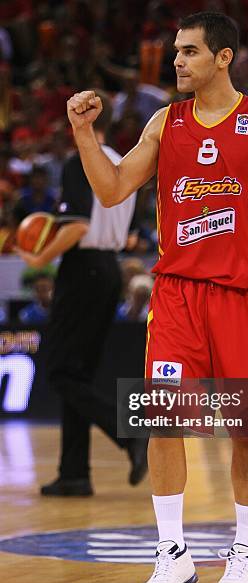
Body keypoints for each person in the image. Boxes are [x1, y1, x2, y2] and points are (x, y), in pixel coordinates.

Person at [66, 12, 248, 583]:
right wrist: (84, 134)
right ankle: (172, 554)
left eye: (189, 52)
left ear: (223, 57)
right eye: (176, 52)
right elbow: (114, 189)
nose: (177, 61)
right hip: (176, 297)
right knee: (165, 424)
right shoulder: (165, 123)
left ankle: (245, 555)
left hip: (247, 297)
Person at [16, 90, 147, 496]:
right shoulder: (124, 163)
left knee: (56, 368)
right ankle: (74, 473)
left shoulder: (80, 161)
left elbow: (75, 226)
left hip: (83, 268)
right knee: (78, 372)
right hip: (108, 271)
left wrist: (39, 259)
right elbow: (127, 233)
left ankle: (129, 434)